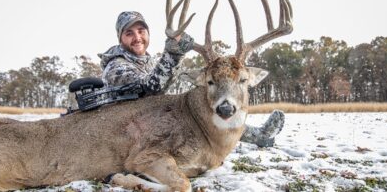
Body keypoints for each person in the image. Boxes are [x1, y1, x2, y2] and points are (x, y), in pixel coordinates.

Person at [98, 11, 284, 147]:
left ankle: (256, 135)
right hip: (128, 132)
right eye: (129, 33)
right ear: (120, 38)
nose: (137, 37)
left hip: (151, 120)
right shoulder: (116, 66)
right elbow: (151, 88)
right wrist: (173, 54)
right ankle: (256, 136)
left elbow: (164, 80)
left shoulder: (149, 62)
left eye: (141, 31)